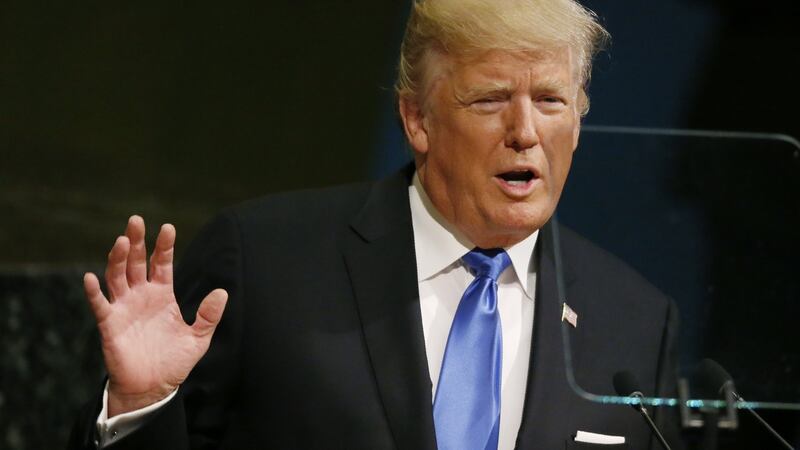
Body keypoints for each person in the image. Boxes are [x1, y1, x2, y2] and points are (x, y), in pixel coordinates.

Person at [68, 0, 681, 449]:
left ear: (577, 122)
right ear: (417, 119)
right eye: (490, 99)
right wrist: (142, 406)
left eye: (551, 101)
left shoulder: (634, 325)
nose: (525, 133)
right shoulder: (265, 263)